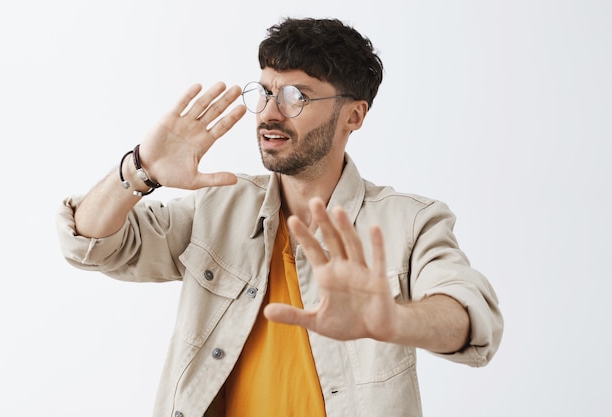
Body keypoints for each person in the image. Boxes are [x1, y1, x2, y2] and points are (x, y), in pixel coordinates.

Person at [56, 17, 503, 417]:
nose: (270, 112)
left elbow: (471, 317)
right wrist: (140, 169)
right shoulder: (218, 205)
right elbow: (91, 244)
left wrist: (393, 320)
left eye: (296, 97)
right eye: (266, 92)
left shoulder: (409, 221)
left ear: (354, 114)